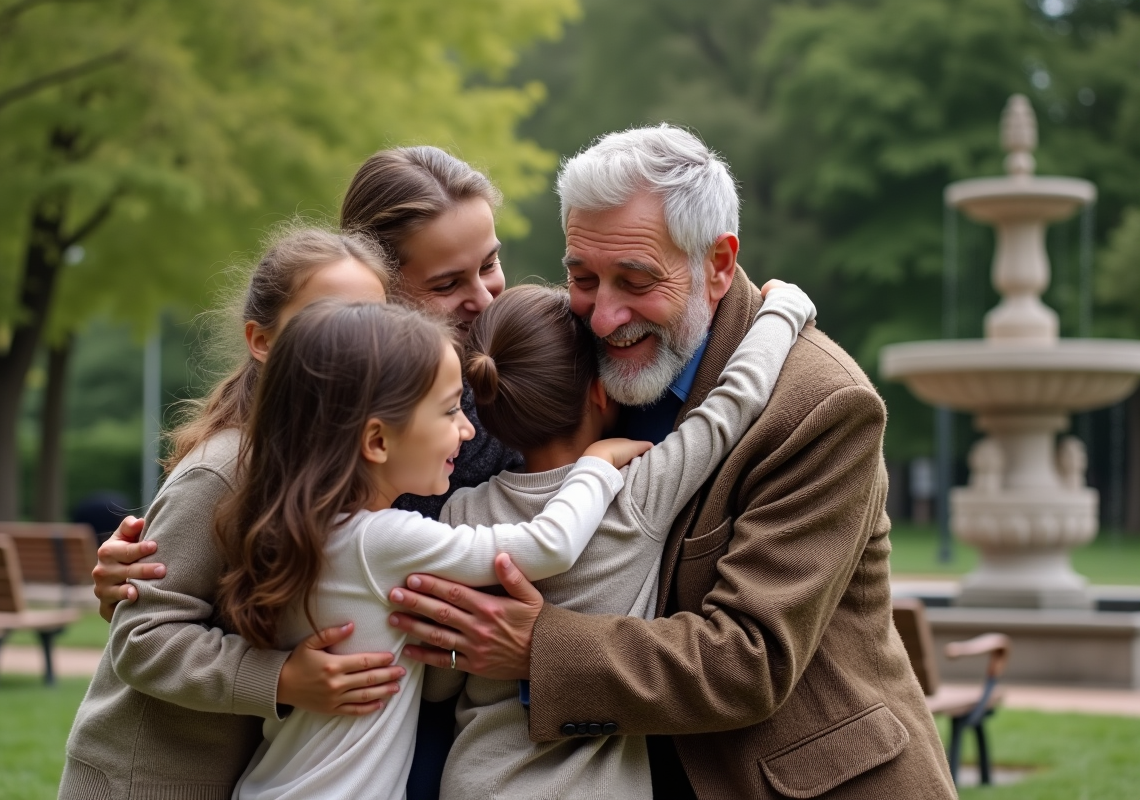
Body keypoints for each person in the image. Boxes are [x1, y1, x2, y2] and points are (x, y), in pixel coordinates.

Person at [383, 126, 958, 798]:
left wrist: (535, 649)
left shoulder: (820, 404)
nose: (602, 316)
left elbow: (750, 660)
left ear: (716, 264)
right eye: (581, 276)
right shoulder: (579, 366)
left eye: (634, 280)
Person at [88, 146, 523, 799]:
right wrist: (280, 677)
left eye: (490, 264)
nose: (484, 297)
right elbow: (146, 629)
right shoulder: (237, 465)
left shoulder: (385, 443)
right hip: (159, 775)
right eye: (445, 283)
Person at [220, 300, 643, 800]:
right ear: (376, 441)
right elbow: (547, 546)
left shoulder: (295, 532)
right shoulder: (383, 540)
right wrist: (596, 463)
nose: (467, 429)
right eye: (449, 411)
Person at [421, 280, 813, 799]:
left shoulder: (461, 512)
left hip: (472, 781)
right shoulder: (633, 494)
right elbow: (733, 403)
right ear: (600, 392)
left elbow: (438, 680)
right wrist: (785, 309)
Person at [59, 228, 406, 800]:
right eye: (325, 322)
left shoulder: (328, 472)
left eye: (373, 323)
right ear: (262, 340)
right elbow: (141, 636)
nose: (353, 346)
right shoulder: (223, 472)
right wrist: (281, 678)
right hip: (141, 781)